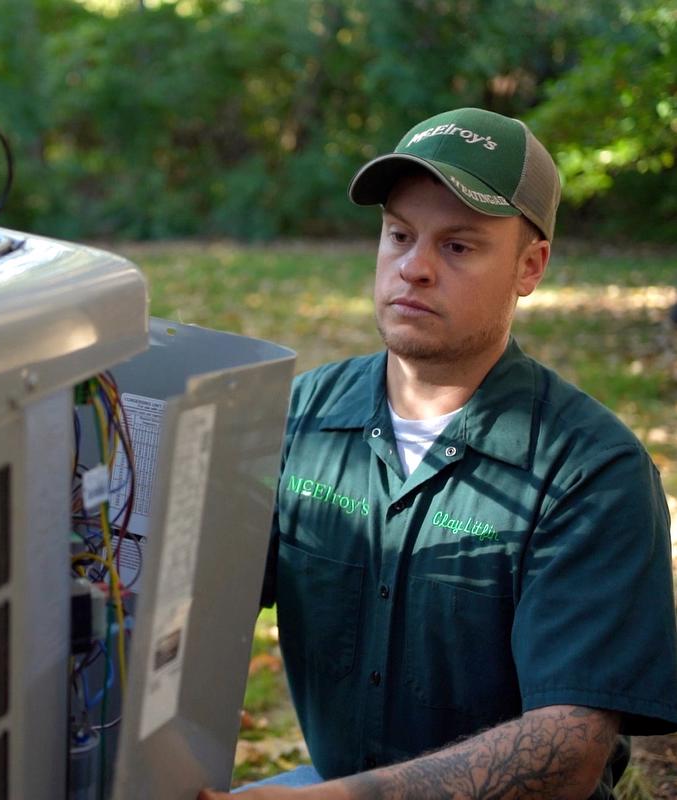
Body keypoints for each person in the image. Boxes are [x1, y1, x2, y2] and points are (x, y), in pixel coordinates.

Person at [199, 107, 677, 799]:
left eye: (458, 246)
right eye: (399, 235)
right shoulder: (299, 416)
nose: (413, 268)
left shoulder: (589, 470)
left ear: (529, 267)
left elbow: (567, 750)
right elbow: (196, 603)